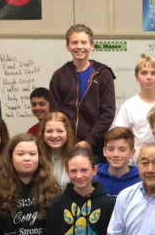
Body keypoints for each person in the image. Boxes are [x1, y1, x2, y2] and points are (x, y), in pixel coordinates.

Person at [49, 24, 116, 162]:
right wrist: (68, 140)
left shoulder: (103, 74)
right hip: (66, 144)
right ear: (68, 46)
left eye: (84, 42)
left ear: (91, 46)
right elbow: (55, 114)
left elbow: (107, 112)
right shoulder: (59, 75)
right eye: (74, 42)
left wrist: (89, 141)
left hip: (96, 144)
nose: (79, 46)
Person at [113, 56, 155, 152]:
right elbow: (120, 137)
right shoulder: (129, 106)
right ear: (136, 77)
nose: (149, 77)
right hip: (138, 160)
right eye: (144, 73)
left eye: (153, 73)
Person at [94, 127, 141, 202]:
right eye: (111, 149)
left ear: (132, 153)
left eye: (122, 150)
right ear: (104, 151)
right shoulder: (94, 177)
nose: (115, 154)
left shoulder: (140, 180)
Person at [39, 112, 77, 188]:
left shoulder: (77, 158)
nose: (54, 135)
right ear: (43, 133)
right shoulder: (37, 159)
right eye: (49, 131)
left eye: (60, 131)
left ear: (67, 132)